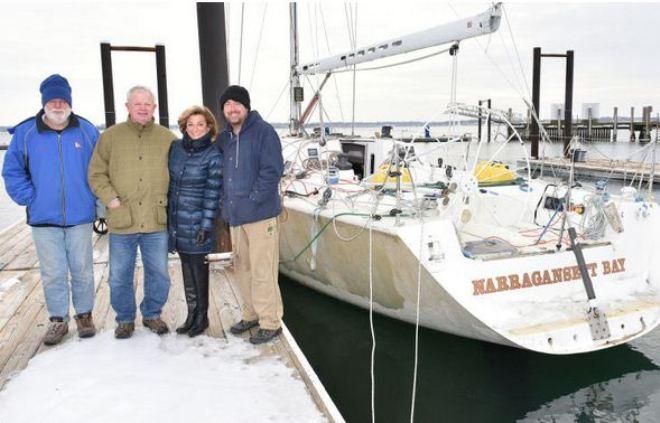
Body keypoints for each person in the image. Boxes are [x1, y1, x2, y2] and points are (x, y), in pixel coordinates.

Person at [2, 74, 99, 345]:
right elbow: (12, 171)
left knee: (82, 268)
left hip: (80, 215)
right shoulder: (26, 133)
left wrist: (98, 203)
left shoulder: (87, 130)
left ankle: (84, 314)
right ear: (44, 104)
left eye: (62, 100)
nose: (58, 105)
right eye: (53, 101)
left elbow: (100, 168)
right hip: (44, 217)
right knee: (53, 270)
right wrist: (29, 197)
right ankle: (58, 319)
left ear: (69, 102)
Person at [88, 86, 176, 339]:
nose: (143, 107)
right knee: (119, 276)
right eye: (137, 103)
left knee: (158, 273)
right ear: (127, 106)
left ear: (154, 107)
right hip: (122, 219)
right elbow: (95, 173)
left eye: (147, 103)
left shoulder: (167, 138)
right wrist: (110, 198)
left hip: (155, 219)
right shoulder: (110, 137)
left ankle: (152, 314)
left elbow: (181, 173)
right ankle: (125, 318)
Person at [217, 85, 284, 344]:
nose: (232, 109)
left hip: (260, 216)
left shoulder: (264, 133)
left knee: (262, 270)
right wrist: (226, 203)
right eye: (227, 105)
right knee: (242, 268)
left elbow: (272, 171)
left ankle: (270, 322)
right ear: (223, 110)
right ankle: (251, 314)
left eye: (237, 104)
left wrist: (254, 199)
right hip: (235, 216)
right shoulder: (225, 138)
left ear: (246, 106)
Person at [167, 106, 222, 337]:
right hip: (177, 220)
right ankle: (191, 314)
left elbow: (213, 193)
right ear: (184, 127)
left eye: (200, 124)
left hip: (199, 221)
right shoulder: (176, 148)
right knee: (186, 267)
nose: (195, 129)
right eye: (190, 124)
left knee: (199, 268)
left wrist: (206, 225)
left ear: (209, 127)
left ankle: (202, 317)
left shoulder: (213, 155)